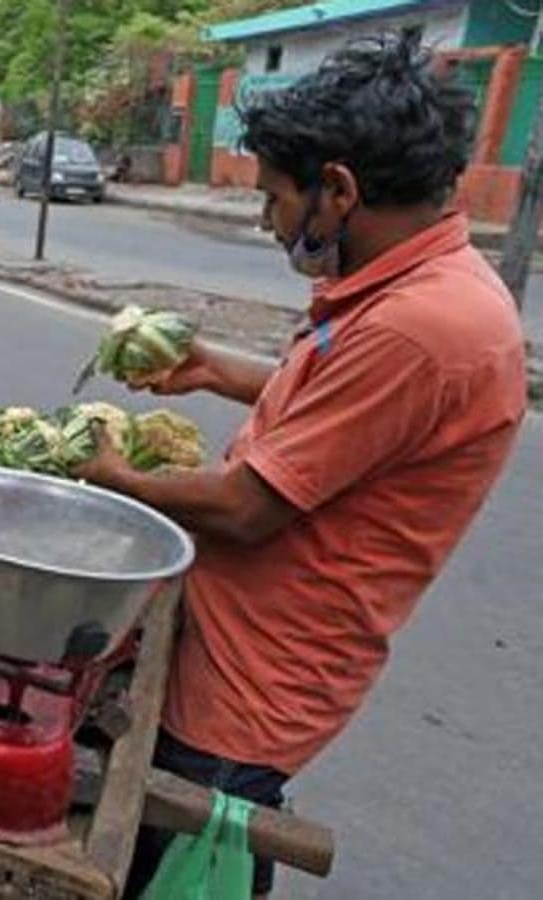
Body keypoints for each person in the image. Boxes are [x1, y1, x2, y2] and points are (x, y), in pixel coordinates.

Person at [69, 37, 526, 899]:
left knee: (176, 867)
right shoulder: (416, 289)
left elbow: (247, 509)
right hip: (234, 636)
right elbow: (341, 412)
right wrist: (213, 369)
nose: (270, 223)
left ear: (341, 190)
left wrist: (115, 480)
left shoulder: (422, 328)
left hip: (252, 680)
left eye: (276, 199)